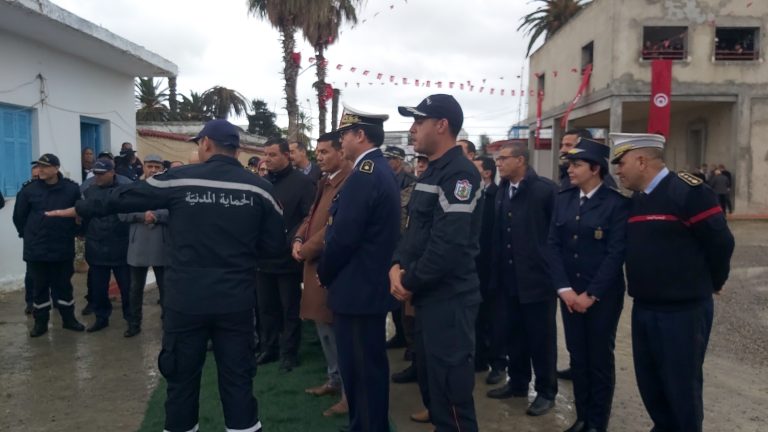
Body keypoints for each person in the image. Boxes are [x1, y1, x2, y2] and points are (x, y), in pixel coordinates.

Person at [47, 119, 285, 432]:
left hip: (185, 301)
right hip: (236, 302)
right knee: (238, 381)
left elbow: (124, 197)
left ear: (206, 144)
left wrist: (82, 208)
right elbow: (274, 247)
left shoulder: (180, 179)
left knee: (181, 380)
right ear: (238, 149)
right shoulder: (260, 189)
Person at [610, 132, 735, 432]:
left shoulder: (688, 192)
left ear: (642, 161)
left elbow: (721, 243)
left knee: (681, 388)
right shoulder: (638, 200)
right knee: (651, 384)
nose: (618, 171)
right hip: (645, 308)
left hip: (682, 313)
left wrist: (713, 281)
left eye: (621, 163)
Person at [392, 94, 483, 431]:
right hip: (428, 297)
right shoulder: (432, 172)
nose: (412, 129)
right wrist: (397, 263)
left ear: (442, 125)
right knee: (433, 389)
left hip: (450, 301)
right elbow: (414, 230)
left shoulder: (460, 175)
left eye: (419, 122)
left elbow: (448, 246)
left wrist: (408, 280)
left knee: (452, 397)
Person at [317, 105, 400, 432]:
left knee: (361, 371)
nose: (341, 142)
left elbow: (343, 237)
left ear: (360, 135)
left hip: (357, 290)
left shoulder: (365, 175)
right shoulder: (375, 170)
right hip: (365, 288)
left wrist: (324, 271)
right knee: (367, 369)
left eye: (344, 135)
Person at [546, 139, 630, 432]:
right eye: (569, 164)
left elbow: (615, 254)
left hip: (601, 297)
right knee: (578, 357)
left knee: (599, 359)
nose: (570, 169)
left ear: (595, 169)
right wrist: (564, 289)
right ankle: (582, 417)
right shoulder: (564, 199)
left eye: (577, 165)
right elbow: (552, 245)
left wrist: (591, 294)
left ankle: (597, 423)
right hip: (570, 295)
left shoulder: (616, 204)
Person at [487, 141, 558, 417]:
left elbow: (555, 235)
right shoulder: (503, 190)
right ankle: (517, 382)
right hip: (508, 278)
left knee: (541, 339)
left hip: (537, 280)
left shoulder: (545, 190)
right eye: (497, 159)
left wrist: (550, 271)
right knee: (514, 335)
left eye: (504, 158)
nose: (499, 163)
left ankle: (546, 391)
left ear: (520, 160)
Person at [292, 134, 353, 418]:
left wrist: (305, 249)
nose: (319, 157)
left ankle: (348, 395)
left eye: (325, 151)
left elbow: (335, 226)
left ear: (342, 152)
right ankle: (334, 379)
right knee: (324, 330)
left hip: (330, 267)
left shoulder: (350, 181)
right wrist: (298, 238)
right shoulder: (325, 181)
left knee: (339, 334)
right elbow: (311, 217)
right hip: (314, 264)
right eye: (317, 152)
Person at [256, 137, 315, 371]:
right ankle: (269, 348)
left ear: (286, 156)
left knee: (289, 308)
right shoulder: (261, 183)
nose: (267, 159)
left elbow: (308, 218)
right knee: (266, 307)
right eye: (265, 155)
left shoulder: (303, 183)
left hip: (287, 258)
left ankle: (289, 352)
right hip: (262, 258)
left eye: (272, 155)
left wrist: (293, 239)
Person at [13, 154, 85, 337]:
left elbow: (79, 213)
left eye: (45, 166)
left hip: (62, 246)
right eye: (39, 166)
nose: (41, 169)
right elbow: (19, 217)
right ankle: (40, 323)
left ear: (56, 168)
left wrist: (75, 232)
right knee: (40, 287)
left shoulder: (71, 189)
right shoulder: (29, 190)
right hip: (37, 249)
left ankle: (69, 320)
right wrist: (30, 235)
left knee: (64, 286)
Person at [80, 158, 132, 333]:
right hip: (97, 245)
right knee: (99, 289)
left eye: (102, 174)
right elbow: (84, 216)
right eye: (96, 173)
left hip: (121, 246)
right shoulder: (89, 191)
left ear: (112, 172)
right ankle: (101, 318)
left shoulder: (125, 189)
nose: (98, 177)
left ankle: (131, 320)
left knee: (127, 288)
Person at [120, 154, 169, 337]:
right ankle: (133, 323)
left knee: (165, 288)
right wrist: (142, 216)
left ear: (162, 169)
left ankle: (168, 323)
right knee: (135, 288)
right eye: (150, 166)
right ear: (144, 167)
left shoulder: (168, 189)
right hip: (138, 244)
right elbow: (122, 213)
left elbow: (175, 212)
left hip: (162, 244)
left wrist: (156, 216)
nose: (153, 170)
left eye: (157, 167)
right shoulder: (132, 189)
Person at [383, 144, 416, 352]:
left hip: (404, 243)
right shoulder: (385, 179)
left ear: (398, 161)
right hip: (388, 243)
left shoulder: (410, 182)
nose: (386, 162)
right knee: (391, 294)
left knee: (405, 298)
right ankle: (400, 335)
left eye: (389, 159)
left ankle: (410, 343)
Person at [472, 156, 499, 377]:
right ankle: (478, 357)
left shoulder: (496, 196)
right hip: (475, 264)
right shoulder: (475, 194)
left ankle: (494, 360)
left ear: (487, 173)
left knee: (491, 316)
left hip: (490, 265)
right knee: (477, 315)